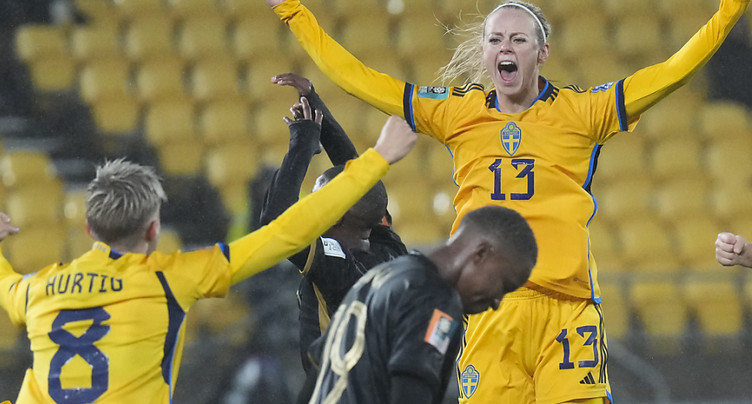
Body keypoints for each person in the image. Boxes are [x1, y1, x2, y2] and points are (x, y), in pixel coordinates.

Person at [262, 0, 751, 402]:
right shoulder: (458, 113)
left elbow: (673, 72)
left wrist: (730, 9)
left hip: (567, 310)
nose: (506, 48)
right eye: (496, 39)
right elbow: (363, 80)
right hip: (487, 310)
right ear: (484, 52)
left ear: (543, 52)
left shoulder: (584, 112)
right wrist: (294, 13)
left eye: (518, 39)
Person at [0, 99, 417, 403]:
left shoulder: (36, 289)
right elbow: (284, 232)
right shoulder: (174, 277)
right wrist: (378, 158)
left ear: (89, 227)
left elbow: (6, 284)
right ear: (154, 229)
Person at [299, 205, 538, 404]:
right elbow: (412, 391)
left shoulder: (383, 275)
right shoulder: (437, 300)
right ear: (481, 254)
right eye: (503, 284)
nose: (497, 302)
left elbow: (318, 368)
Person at [258, 73, 408, 376]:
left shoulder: (336, 266)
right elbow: (360, 182)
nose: (310, 204)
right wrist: (314, 105)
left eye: (320, 198)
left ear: (336, 215)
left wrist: (302, 144)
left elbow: (275, 223)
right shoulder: (389, 249)